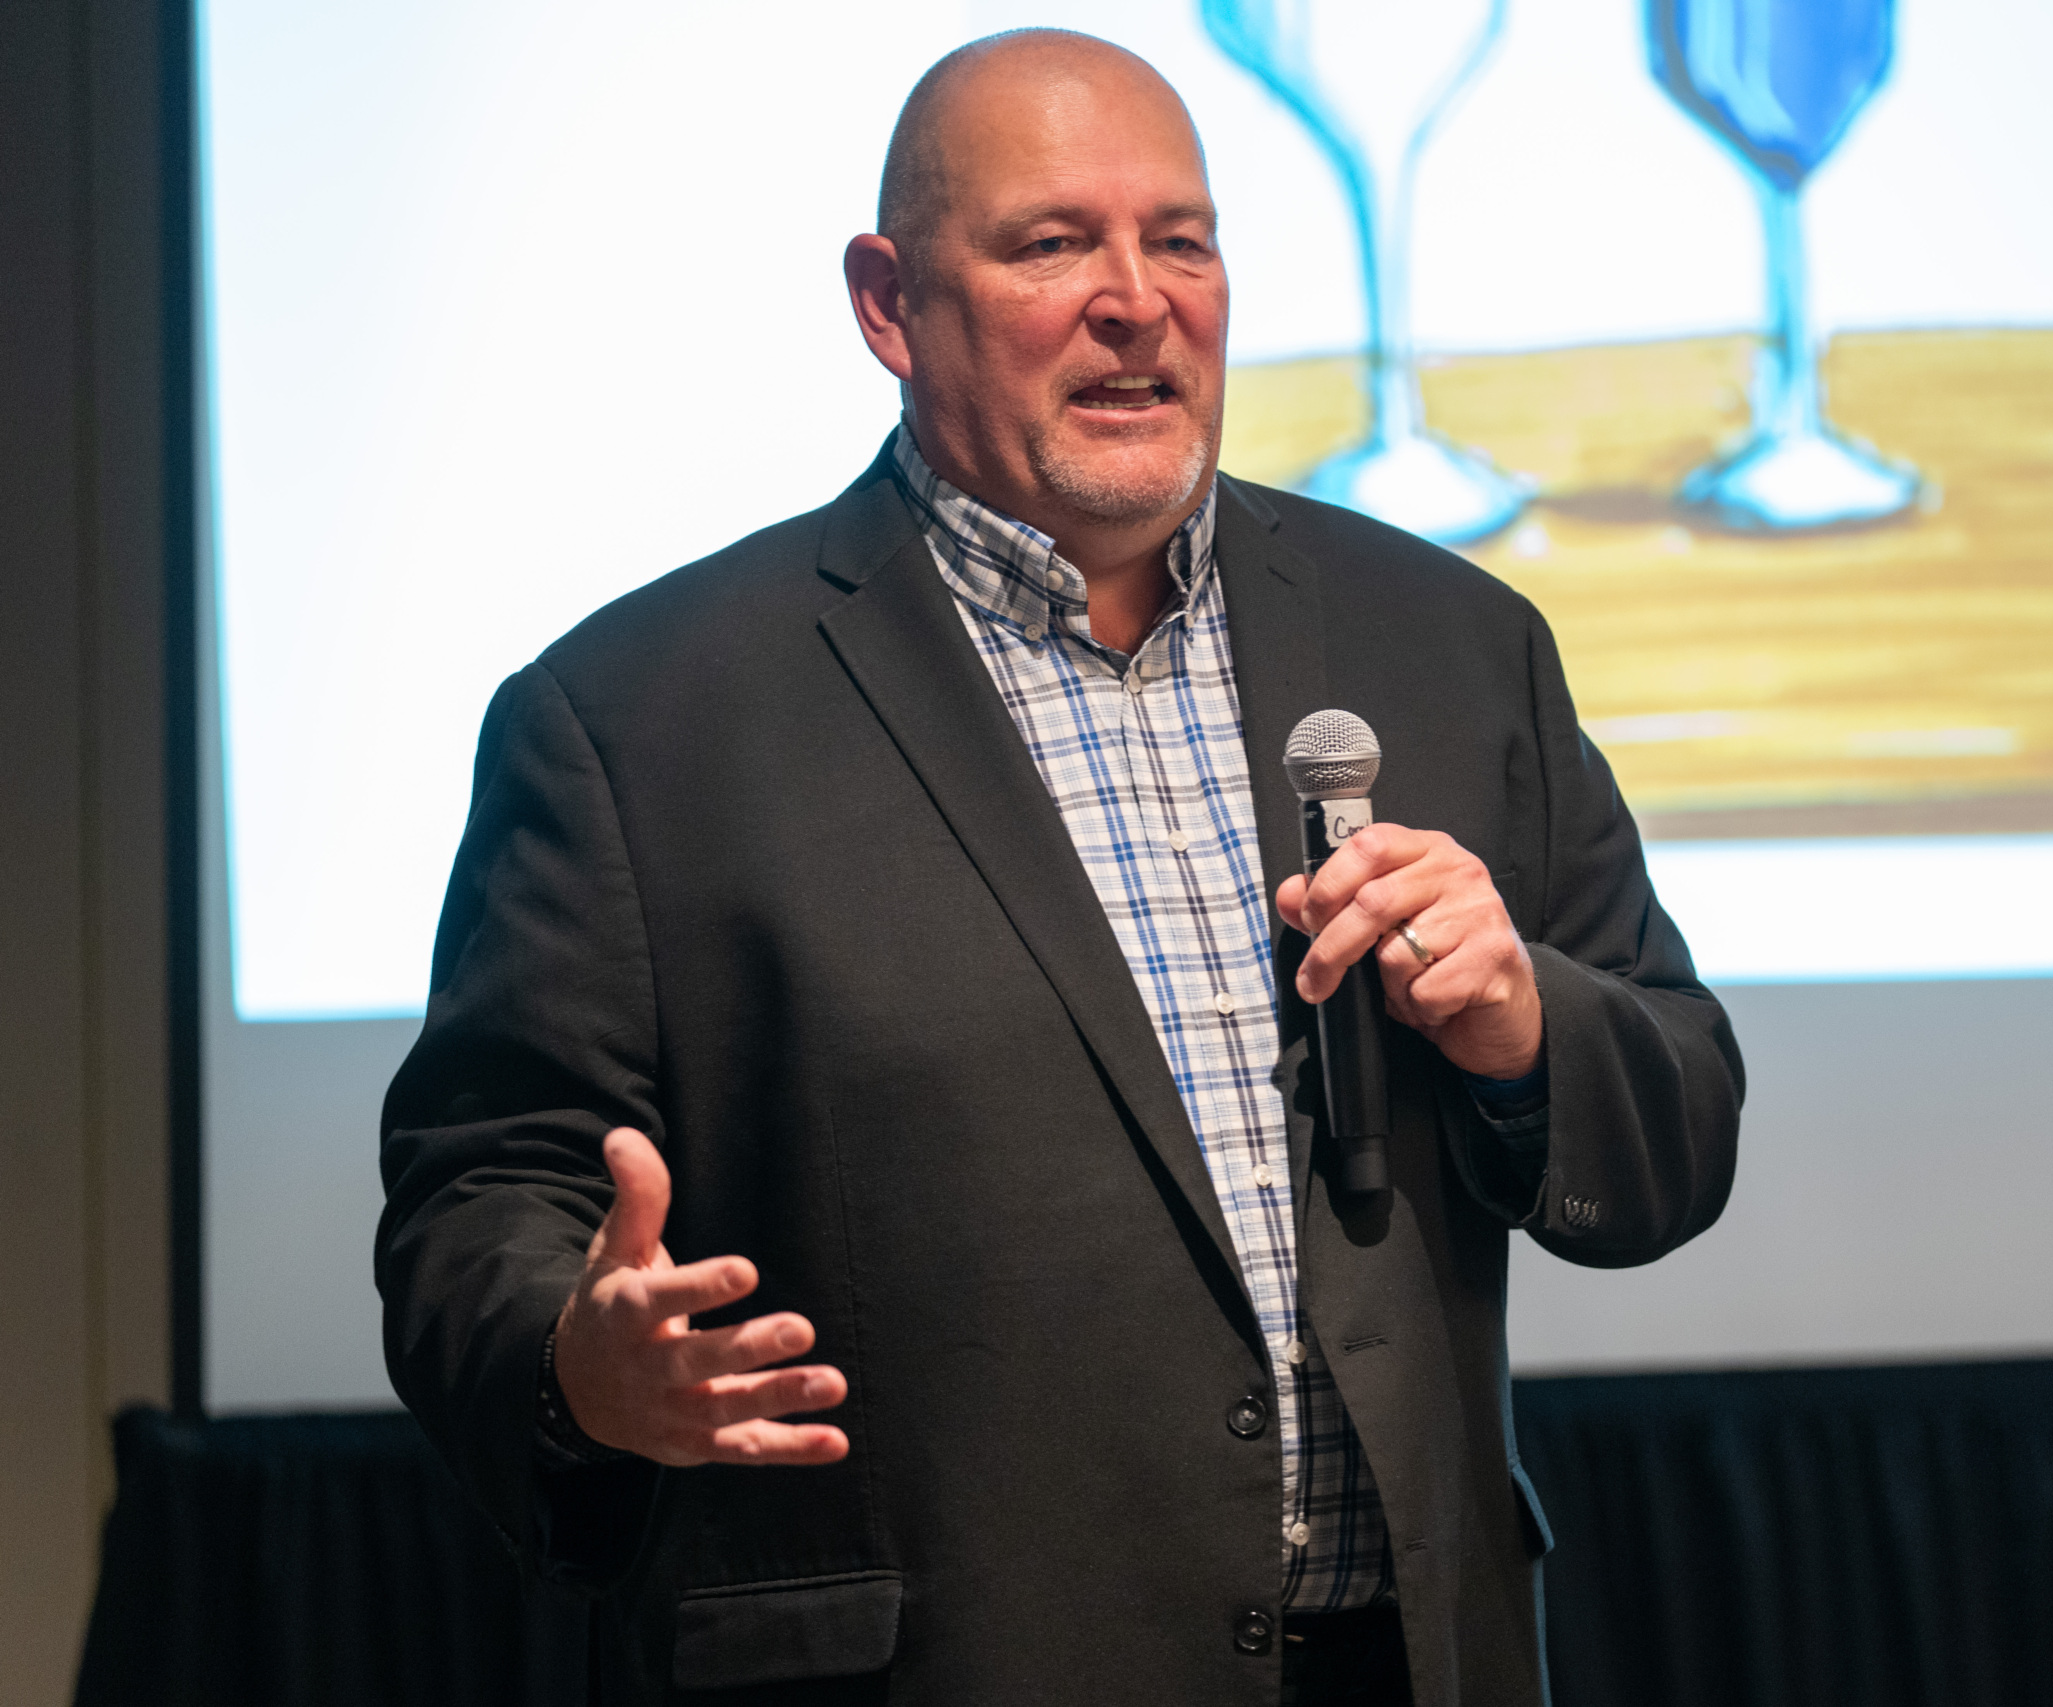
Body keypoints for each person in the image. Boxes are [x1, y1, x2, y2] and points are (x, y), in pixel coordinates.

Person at [378, 28, 1741, 1707]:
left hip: (1407, 1665)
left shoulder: (1453, 644)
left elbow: (1680, 1114)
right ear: (890, 305)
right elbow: (482, 1197)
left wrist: (1531, 1030)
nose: (1138, 298)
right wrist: (577, 1366)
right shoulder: (638, 721)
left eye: (1182, 239)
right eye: (1052, 245)